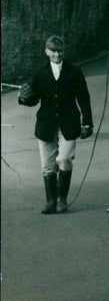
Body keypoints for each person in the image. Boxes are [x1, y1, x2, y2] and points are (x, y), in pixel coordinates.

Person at [18, 35, 93, 214]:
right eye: (53, 51)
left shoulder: (74, 71)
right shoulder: (39, 72)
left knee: (65, 159)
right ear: (47, 52)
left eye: (60, 51)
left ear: (63, 52)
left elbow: (84, 98)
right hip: (46, 125)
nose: (57, 55)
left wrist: (87, 123)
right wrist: (23, 97)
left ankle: (62, 200)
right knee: (48, 166)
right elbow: (33, 99)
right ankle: (51, 202)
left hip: (69, 124)